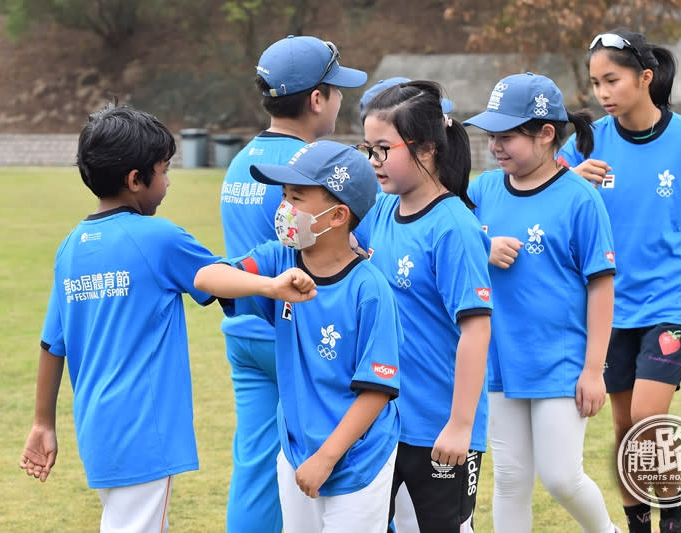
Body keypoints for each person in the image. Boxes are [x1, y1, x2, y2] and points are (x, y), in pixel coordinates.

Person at [558, 29, 681, 533]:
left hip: (671, 301)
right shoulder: (587, 142)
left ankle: (673, 522)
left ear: (645, 77)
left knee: (646, 419)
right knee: (621, 426)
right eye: (596, 83)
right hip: (608, 305)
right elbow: (541, 193)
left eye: (612, 80)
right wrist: (570, 179)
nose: (602, 93)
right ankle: (638, 523)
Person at [18, 102, 222, 532]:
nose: (167, 183)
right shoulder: (158, 236)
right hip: (145, 432)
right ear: (135, 180)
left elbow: (52, 345)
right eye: (164, 170)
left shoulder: (71, 246)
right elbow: (219, 278)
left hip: (99, 429)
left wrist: (42, 423)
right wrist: (277, 276)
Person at [195, 140, 403, 533]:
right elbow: (205, 279)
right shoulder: (279, 259)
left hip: (357, 458)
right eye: (283, 196)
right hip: (296, 451)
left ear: (338, 214)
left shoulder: (369, 289)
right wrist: (269, 287)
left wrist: (326, 458)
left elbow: (377, 390)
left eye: (296, 197)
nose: (284, 208)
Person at [218, 35, 366, 533]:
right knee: (328, 459)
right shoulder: (313, 167)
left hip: (245, 330)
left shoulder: (243, 160)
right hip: (298, 335)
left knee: (257, 466)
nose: (341, 99)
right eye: (337, 89)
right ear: (317, 99)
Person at [465, 72, 619, 533]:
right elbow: (448, 240)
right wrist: (482, 246)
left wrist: (594, 370)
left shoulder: (580, 198)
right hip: (498, 361)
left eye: (507, 136)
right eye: (492, 135)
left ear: (547, 133)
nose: (495, 146)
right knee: (510, 480)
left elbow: (601, 286)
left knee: (561, 478)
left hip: (561, 363)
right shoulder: (482, 191)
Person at [357, 80, 492, 533]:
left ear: (428, 148)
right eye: (367, 149)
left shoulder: (453, 226)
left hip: (439, 429)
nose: (373, 162)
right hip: (386, 421)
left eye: (383, 149)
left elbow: (476, 330)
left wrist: (459, 425)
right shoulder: (379, 211)